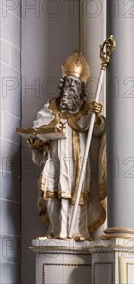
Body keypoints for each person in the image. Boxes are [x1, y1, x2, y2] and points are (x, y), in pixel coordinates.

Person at [23, 52, 106, 239]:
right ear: (62, 84)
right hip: (54, 159)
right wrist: (36, 141)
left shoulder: (86, 109)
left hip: (77, 160)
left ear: (81, 88)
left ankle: (77, 232)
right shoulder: (51, 107)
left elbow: (97, 130)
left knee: (77, 196)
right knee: (52, 194)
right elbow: (39, 129)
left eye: (76, 84)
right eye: (69, 83)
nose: (71, 87)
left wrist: (96, 116)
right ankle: (56, 231)